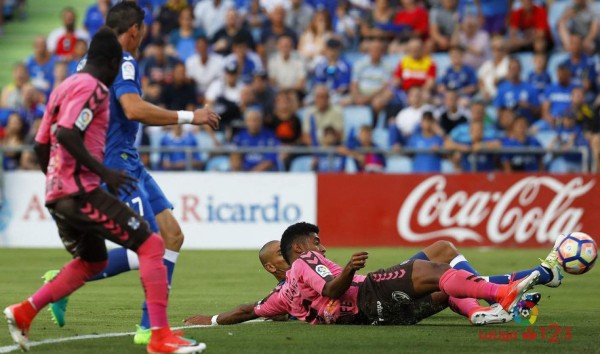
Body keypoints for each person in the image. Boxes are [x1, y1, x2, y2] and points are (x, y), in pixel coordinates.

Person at [3, 28, 206, 354]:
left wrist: (54, 179)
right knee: (151, 245)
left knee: (93, 262)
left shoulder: (62, 88)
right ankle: (157, 335)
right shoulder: (94, 89)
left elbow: (42, 142)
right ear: (112, 62)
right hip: (82, 188)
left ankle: (25, 310)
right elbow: (69, 133)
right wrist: (102, 173)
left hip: (59, 192)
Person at [45, 2, 221, 346]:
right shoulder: (123, 62)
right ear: (135, 30)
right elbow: (133, 108)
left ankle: (147, 325)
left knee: (172, 236)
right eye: (143, 29)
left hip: (128, 158)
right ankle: (63, 280)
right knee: (148, 242)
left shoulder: (89, 63)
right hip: (117, 161)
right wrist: (190, 116)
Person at [183, 222, 566, 327]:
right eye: (317, 242)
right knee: (437, 267)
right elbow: (332, 286)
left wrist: (212, 319)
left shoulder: (282, 297)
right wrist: (348, 269)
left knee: (443, 262)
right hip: (368, 296)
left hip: (372, 315)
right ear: (296, 250)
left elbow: (251, 309)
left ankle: (485, 307)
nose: (323, 247)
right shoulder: (304, 264)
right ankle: (504, 292)